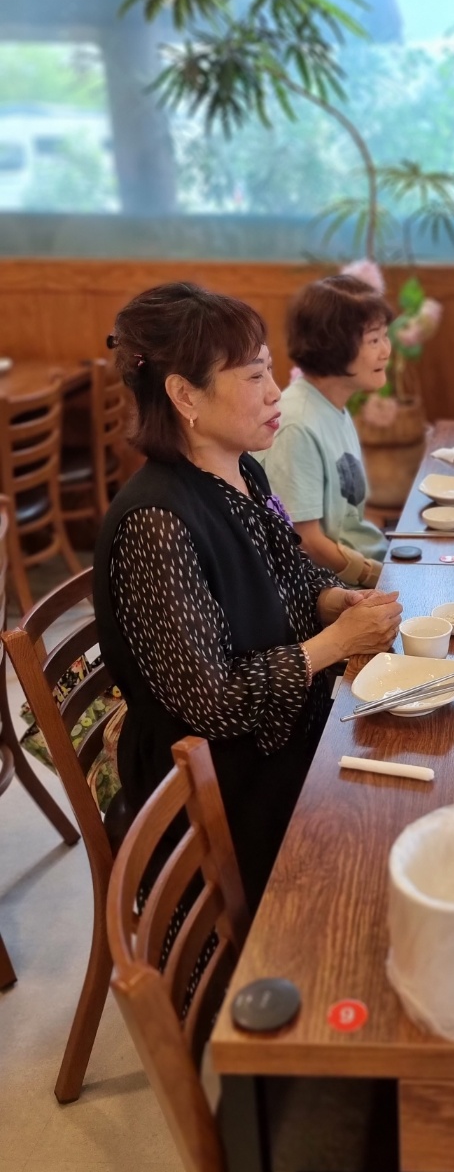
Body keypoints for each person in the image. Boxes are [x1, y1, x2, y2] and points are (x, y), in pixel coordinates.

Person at [95, 283, 402, 908]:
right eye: (255, 375)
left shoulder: (243, 469)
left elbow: (291, 575)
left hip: (282, 738)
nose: (274, 391)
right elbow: (212, 705)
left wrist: (333, 604)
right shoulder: (157, 522)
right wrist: (333, 646)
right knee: (379, 849)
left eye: (270, 370)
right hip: (219, 790)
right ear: (185, 395)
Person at [259, 275, 391, 588]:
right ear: (334, 346)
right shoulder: (296, 425)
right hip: (333, 588)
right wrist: (379, 576)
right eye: (374, 340)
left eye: (385, 337)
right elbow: (306, 541)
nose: (386, 350)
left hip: (368, 562)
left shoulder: (332, 405)